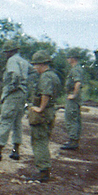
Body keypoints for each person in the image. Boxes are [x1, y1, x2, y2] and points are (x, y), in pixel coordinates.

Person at [0, 40, 34, 161]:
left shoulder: (12, 60)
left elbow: (15, 75)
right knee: (17, 122)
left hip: (14, 94)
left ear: (10, 51)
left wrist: (12, 88)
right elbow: (33, 72)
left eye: (6, 52)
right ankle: (16, 151)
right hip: (22, 94)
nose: (5, 54)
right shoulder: (24, 61)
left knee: (5, 120)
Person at [27, 50, 61, 182]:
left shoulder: (45, 77)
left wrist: (40, 108)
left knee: (38, 141)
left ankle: (43, 172)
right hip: (51, 111)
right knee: (43, 140)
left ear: (42, 64)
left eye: (36, 65)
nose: (35, 67)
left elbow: (45, 93)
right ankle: (44, 170)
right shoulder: (54, 76)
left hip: (43, 113)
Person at [61, 51, 84, 150]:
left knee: (71, 117)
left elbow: (77, 83)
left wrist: (74, 95)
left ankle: (73, 141)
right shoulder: (77, 68)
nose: (67, 59)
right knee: (74, 118)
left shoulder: (75, 69)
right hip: (74, 97)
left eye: (68, 57)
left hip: (73, 98)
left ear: (72, 58)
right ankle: (73, 140)